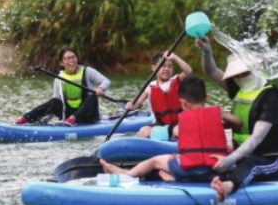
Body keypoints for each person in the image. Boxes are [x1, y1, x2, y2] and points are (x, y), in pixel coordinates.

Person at [195, 37, 278, 203]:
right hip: (242, 156)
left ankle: (228, 186)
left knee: (252, 163)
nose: (242, 76)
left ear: (255, 68)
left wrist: (229, 160)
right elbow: (212, 71)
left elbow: (256, 138)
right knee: (210, 160)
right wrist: (206, 52)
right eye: (237, 74)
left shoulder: (272, 97)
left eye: (246, 72)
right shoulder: (238, 88)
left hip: (274, 159)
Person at [100, 76, 241, 181]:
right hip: (217, 166)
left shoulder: (182, 121)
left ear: (183, 103)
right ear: (206, 98)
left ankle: (127, 175)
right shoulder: (217, 112)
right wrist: (219, 123)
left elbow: (179, 139)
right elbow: (237, 122)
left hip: (189, 168)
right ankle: (177, 178)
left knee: (155, 161)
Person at [14, 47, 110, 126]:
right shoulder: (59, 78)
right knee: (54, 101)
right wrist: (46, 119)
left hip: (88, 115)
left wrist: (100, 88)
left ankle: (73, 119)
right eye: (67, 58)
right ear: (61, 63)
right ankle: (25, 119)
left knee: (92, 97)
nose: (71, 60)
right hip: (67, 116)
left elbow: (106, 81)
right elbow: (54, 103)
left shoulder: (87, 71)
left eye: (73, 57)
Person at [125, 51, 193, 138]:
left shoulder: (177, 80)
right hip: (160, 125)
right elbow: (137, 103)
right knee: (143, 132)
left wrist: (175, 57)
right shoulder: (149, 87)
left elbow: (188, 71)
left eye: (170, 66)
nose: (167, 69)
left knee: (177, 130)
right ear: (154, 68)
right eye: (163, 66)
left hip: (178, 123)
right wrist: (131, 105)